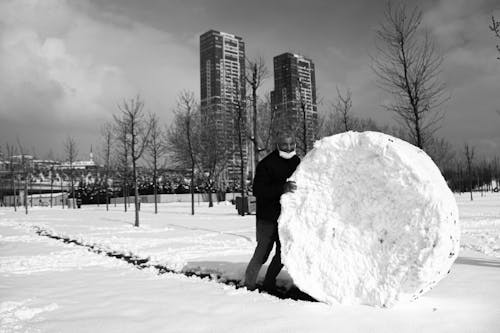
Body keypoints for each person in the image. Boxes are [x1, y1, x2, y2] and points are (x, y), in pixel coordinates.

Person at [244, 132, 300, 292]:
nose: (288, 148)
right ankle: (248, 285)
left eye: (291, 144)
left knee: (282, 254)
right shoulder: (267, 164)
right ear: (277, 145)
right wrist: (282, 188)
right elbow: (258, 190)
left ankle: (269, 283)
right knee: (262, 254)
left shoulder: (296, 161)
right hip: (267, 218)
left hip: (286, 218)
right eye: (284, 145)